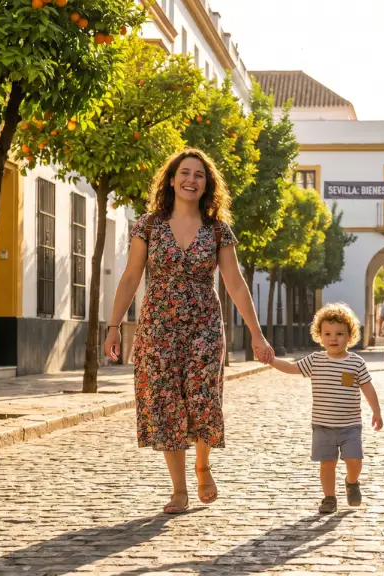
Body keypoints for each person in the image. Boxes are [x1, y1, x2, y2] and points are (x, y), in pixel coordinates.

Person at [104, 148, 274, 515]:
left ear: (207, 184)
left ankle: (203, 465)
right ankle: (179, 489)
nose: (191, 180)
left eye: (199, 175)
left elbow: (235, 284)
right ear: (171, 179)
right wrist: (114, 325)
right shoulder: (147, 225)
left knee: (201, 398)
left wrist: (256, 335)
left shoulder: (217, 230)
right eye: (185, 172)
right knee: (165, 403)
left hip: (204, 326)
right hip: (158, 327)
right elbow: (131, 275)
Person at [270, 302, 383, 514]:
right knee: (327, 463)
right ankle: (329, 498)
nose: (333, 338)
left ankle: (352, 482)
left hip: (350, 426)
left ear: (350, 336)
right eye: (328, 333)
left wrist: (376, 411)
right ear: (319, 336)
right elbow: (292, 368)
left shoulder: (356, 363)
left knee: (355, 460)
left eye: (339, 333)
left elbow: (368, 387)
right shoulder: (315, 360)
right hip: (323, 425)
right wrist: (272, 360)